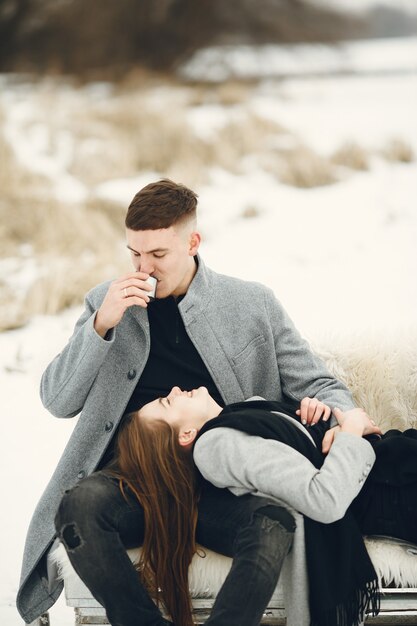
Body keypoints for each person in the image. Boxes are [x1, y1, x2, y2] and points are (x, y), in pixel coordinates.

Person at [17, 179, 360, 626]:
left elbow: (318, 382)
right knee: (78, 506)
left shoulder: (251, 303)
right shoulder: (107, 302)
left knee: (273, 522)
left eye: (158, 255)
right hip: (134, 480)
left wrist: (336, 413)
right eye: (135, 254)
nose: (144, 267)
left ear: (193, 242)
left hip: (224, 480)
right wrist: (101, 325)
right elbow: (57, 400)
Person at [113, 386, 417, 626]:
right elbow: (325, 499)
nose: (176, 390)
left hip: (397, 466)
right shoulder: (216, 445)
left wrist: (328, 426)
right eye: (168, 403)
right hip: (396, 491)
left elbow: (305, 458)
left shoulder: (241, 413)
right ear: (186, 434)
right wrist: (350, 429)